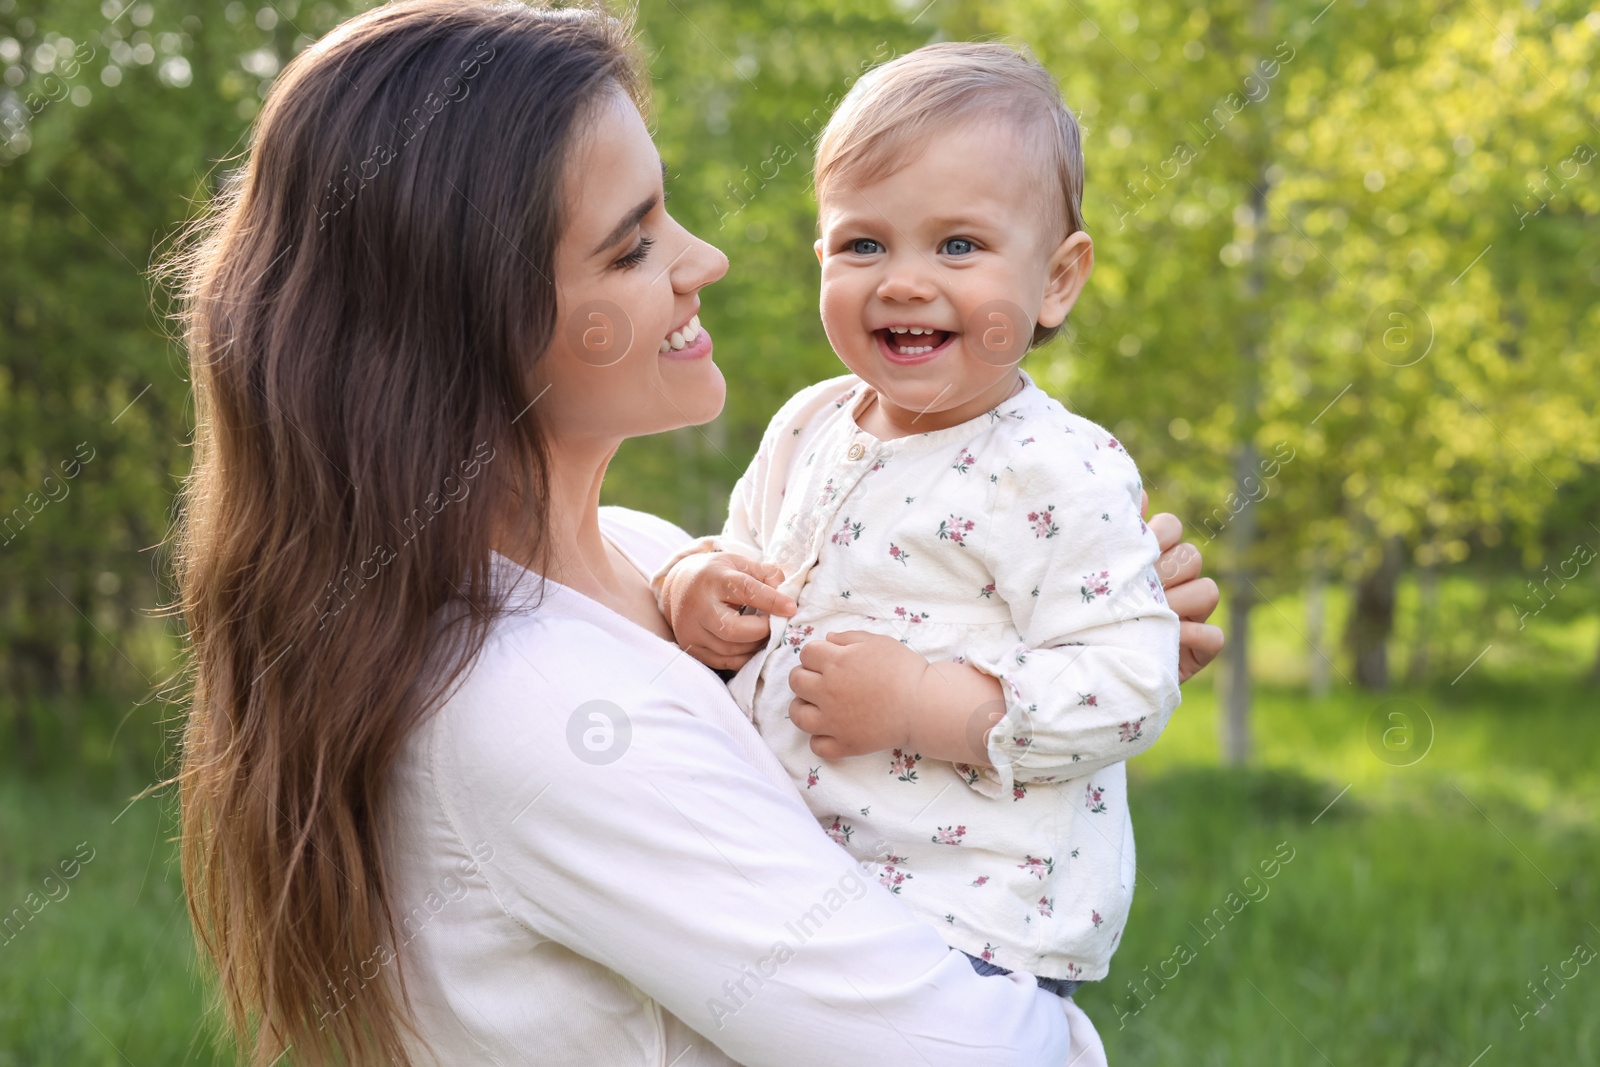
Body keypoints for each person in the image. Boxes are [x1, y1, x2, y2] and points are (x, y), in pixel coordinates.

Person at [170, 3, 1223, 1065]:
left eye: (667, 214)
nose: (705, 259)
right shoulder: (546, 714)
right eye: (631, 247)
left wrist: (1073, 649)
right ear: (472, 322)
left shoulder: (628, 555)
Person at [654, 42, 1185, 1059]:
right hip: (801, 880)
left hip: (966, 923)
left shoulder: (1058, 468)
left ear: (1056, 280)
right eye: (862, 245)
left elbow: (1128, 680)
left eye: (956, 246)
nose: (903, 282)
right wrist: (696, 586)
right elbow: (750, 559)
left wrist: (920, 707)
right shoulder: (810, 423)